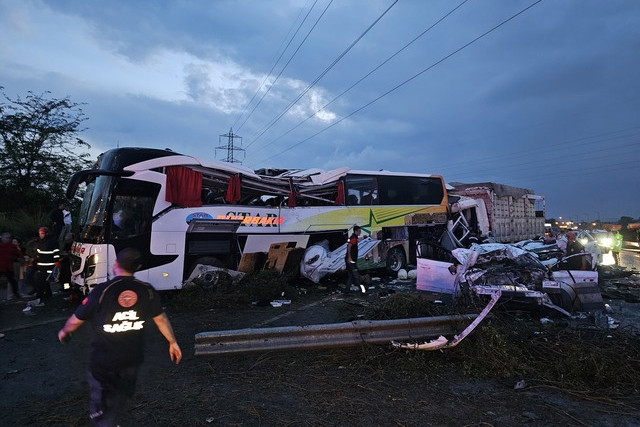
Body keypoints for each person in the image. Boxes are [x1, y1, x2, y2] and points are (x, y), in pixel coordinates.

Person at [58, 248, 182, 426]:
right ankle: (113, 415)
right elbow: (160, 318)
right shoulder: (146, 290)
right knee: (121, 393)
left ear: (115, 264)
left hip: (103, 361)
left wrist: (65, 332)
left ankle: (106, 419)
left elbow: (76, 320)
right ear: (137, 267)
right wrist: (172, 342)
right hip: (132, 359)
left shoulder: (102, 290)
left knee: (102, 404)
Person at [30, 226, 60, 306]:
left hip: (48, 265)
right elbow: (38, 252)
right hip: (41, 264)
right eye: (40, 233)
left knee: (40, 280)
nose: (41, 235)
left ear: (46, 233)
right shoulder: (40, 241)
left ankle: (39, 296)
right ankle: (48, 293)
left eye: (42, 233)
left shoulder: (52, 241)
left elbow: (56, 252)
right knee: (43, 280)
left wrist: (56, 261)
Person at [0, 232, 24, 299]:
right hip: (2, 266)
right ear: (2, 238)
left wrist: (20, 257)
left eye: (9, 238)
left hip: (8, 267)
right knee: (12, 281)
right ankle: (15, 294)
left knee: (13, 281)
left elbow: (19, 253)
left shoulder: (12, 246)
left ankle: (16, 294)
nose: (8, 239)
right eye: (6, 238)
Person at [345, 225, 365, 294]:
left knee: (350, 276)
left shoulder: (353, 238)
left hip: (350, 260)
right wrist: (349, 257)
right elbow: (349, 247)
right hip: (351, 261)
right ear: (355, 231)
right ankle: (363, 291)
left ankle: (347, 292)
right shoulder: (353, 238)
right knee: (357, 276)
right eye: (359, 231)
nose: (360, 232)